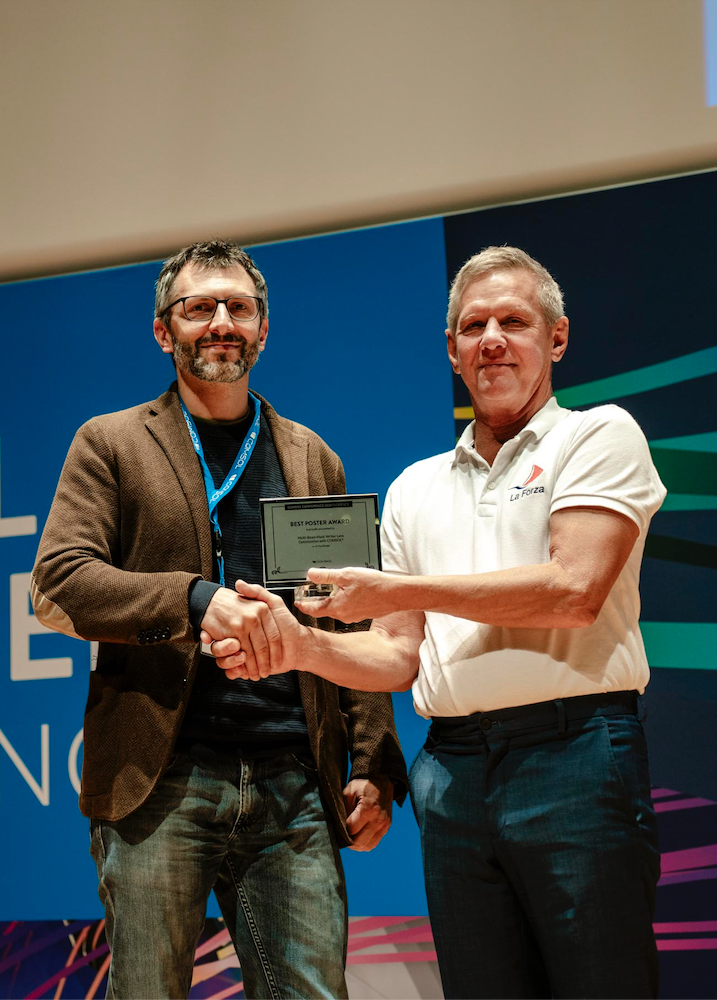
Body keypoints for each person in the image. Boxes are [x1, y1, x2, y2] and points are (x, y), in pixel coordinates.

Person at [207, 246, 666, 1000]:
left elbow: (573, 591)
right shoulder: (415, 488)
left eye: (514, 322)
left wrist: (399, 586)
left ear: (557, 337)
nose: (492, 340)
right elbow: (397, 654)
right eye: (473, 326)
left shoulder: (598, 436)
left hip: (575, 752)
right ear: (451, 350)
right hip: (452, 771)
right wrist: (298, 646)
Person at [31, 238, 407, 1000]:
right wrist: (196, 601)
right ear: (163, 330)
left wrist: (373, 761)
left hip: (294, 781)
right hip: (161, 781)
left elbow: (350, 619)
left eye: (239, 307)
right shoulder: (111, 444)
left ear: (264, 329)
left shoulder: (312, 457)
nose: (222, 323)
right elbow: (60, 581)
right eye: (198, 307)